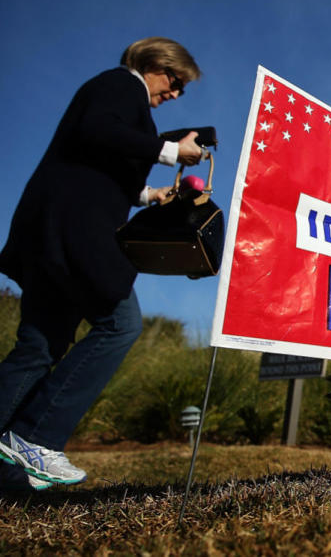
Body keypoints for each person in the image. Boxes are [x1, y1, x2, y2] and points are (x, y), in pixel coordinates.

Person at [0, 37, 204, 489]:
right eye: (176, 82)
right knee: (121, 323)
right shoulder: (121, 85)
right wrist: (171, 152)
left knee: (39, 348)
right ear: (155, 63)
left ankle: (6, 468)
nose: (175, 94)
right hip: (74, 233)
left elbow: (96, 159)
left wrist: (151, 195)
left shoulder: (115, 97)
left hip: (47, 234)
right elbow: (96, 131)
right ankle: (34, 437)